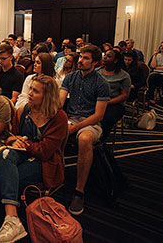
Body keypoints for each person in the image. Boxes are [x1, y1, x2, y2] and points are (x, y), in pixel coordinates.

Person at [0, 75, 68, 243]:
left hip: (44, 163)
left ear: (47, 96)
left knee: (5, 177)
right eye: (30, 88)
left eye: (35, 91)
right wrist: (15, 140)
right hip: (21, 154)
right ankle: (12, 220)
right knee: (6, 155)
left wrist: (26, 144)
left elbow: (45, 152)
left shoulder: (59, 117)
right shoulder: (24, 110)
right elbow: (11, 135)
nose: (30, 93)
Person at [59, 45, 110, 215]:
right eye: (81, 56)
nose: (80, 60)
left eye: (86, 58)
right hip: (71, 119)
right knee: (52, 130)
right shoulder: (70, 77)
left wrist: (75, 128)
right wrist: (61, 122)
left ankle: (79, 190)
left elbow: (99, 115)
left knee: (85, 139)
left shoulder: (101, 83)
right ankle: (52, 176)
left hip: (90, 122)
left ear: (95, 62)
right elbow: (59, 105)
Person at [97, 50, 131, 140]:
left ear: (115, 61)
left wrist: (108, 102)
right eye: (105, 55)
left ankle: (100, 141)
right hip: (97, 101)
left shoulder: (124, 76)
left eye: (109, 56)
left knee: (105, 119)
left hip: (114, 104)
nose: (105, 57)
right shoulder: (97, 72)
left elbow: (124, 95)